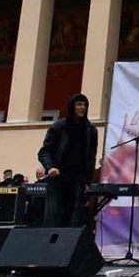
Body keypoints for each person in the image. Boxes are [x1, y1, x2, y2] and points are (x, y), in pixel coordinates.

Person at [38, 93, 98, 227]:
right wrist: (50, 167)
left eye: (85, 105)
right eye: (79, 104)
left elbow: (91, 158)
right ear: (72, 107)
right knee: (54, 219)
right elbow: (44, 152)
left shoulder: (91, 130)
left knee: (74, 222)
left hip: (78, 181)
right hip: (58, 178)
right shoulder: (58, 127)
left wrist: (88, 181)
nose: (82, 108)